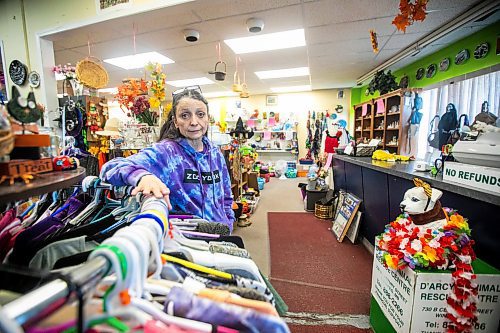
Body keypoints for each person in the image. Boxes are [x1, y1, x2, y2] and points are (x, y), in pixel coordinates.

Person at [100, 86, 235, 232]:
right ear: (175, 122)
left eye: (200, 114)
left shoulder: (215, 153)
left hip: (221, 235)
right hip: (187, 242)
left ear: (208, 118)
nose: (194, 122)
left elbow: (226, 196)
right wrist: (143, 177)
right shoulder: (166, 152)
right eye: (185, 115)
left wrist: (228, 221)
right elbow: (110, 167)